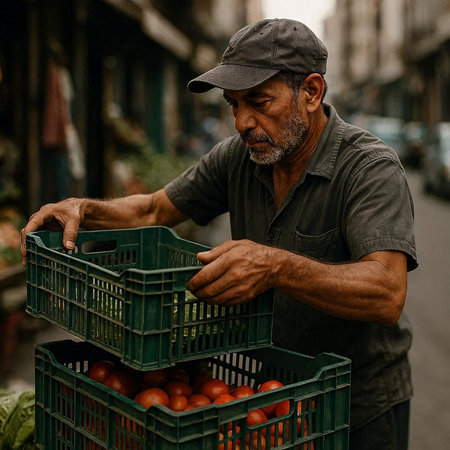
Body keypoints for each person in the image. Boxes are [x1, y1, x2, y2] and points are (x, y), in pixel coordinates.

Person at [21, 18, 416, 450]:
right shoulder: (239, 158)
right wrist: (83, 208)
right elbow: (154, 208)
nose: (242, 122)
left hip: (357, 407)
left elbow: (386, 290)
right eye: (233, 104)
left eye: (259, 102)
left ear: (311, 92)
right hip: (270, 398)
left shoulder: (368, 167)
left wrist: (275, 267)